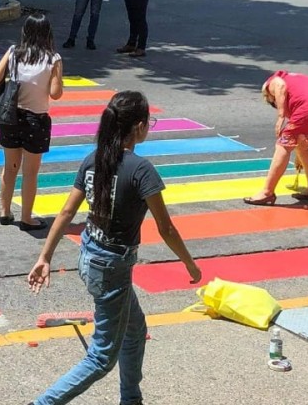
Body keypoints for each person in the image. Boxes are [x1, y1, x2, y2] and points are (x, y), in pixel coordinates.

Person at [27, 90, 202, 405]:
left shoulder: (94, 159)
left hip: (90, 256)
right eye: (150, 122)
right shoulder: (140, 169)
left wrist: (45, 256)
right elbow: (166, 227)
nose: (150, 126)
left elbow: (67, 213)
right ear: (137, 126)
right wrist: (190, 264)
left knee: (134, 330)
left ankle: (131, 399)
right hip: (111, 268)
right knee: (101, 358)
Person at [0, 14, 63, 231]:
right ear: (47, 33)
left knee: (10, 167)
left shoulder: (13, 52)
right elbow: (55, 93)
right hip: (36, 119)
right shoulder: (53, 59)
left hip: (10, 116)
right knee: (30, 173)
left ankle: (5, 212)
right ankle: (26, 218)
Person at [243, 71, 308, 205]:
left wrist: (280, 116)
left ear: (269, 96)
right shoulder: (294, 79)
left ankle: (267, 192)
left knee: (283, 144)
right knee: (302, 146)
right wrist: (298, 152)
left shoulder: (272, 82)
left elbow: (279, 86)